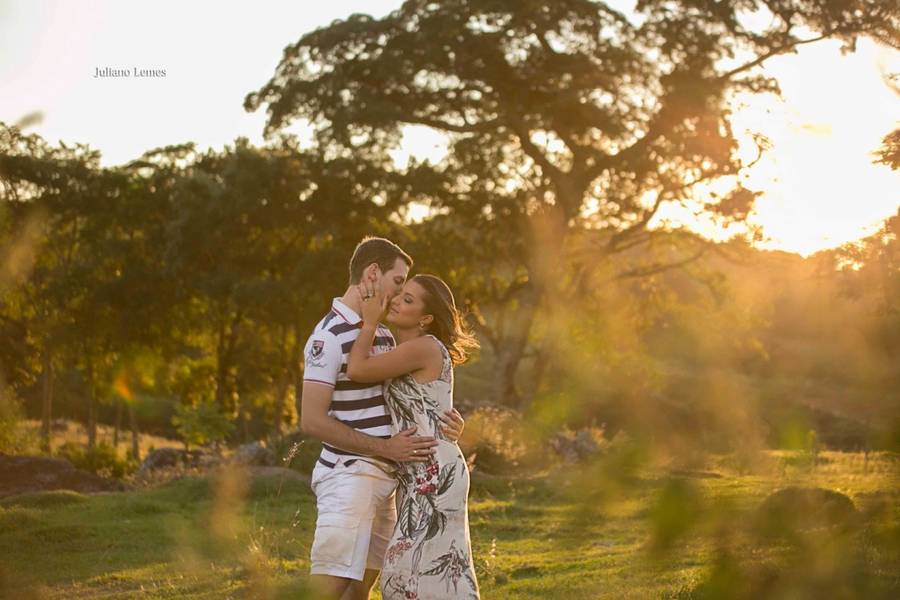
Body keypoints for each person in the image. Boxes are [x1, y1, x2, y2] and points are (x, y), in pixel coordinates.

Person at [300, 237, 466, 600]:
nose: (398, 294)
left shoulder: (387, 333)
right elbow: (311, 421)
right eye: (397, 282)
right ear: (373, 273)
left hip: (393, 478)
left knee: (363, 588)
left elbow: (417, 391)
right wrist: (385, 447)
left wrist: (447, 421)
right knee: (331, 584)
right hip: (349, 475)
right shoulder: (328, 337)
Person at [348, 273, 480, 600]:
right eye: (399, 295)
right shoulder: (407, 349)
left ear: (425, 318)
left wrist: (369, 322)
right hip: (420, 472)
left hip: (433, 474)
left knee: (410, 572)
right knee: (422, 573)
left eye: (408, 300)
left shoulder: (423, 347)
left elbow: (357, 370)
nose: (395, 301)